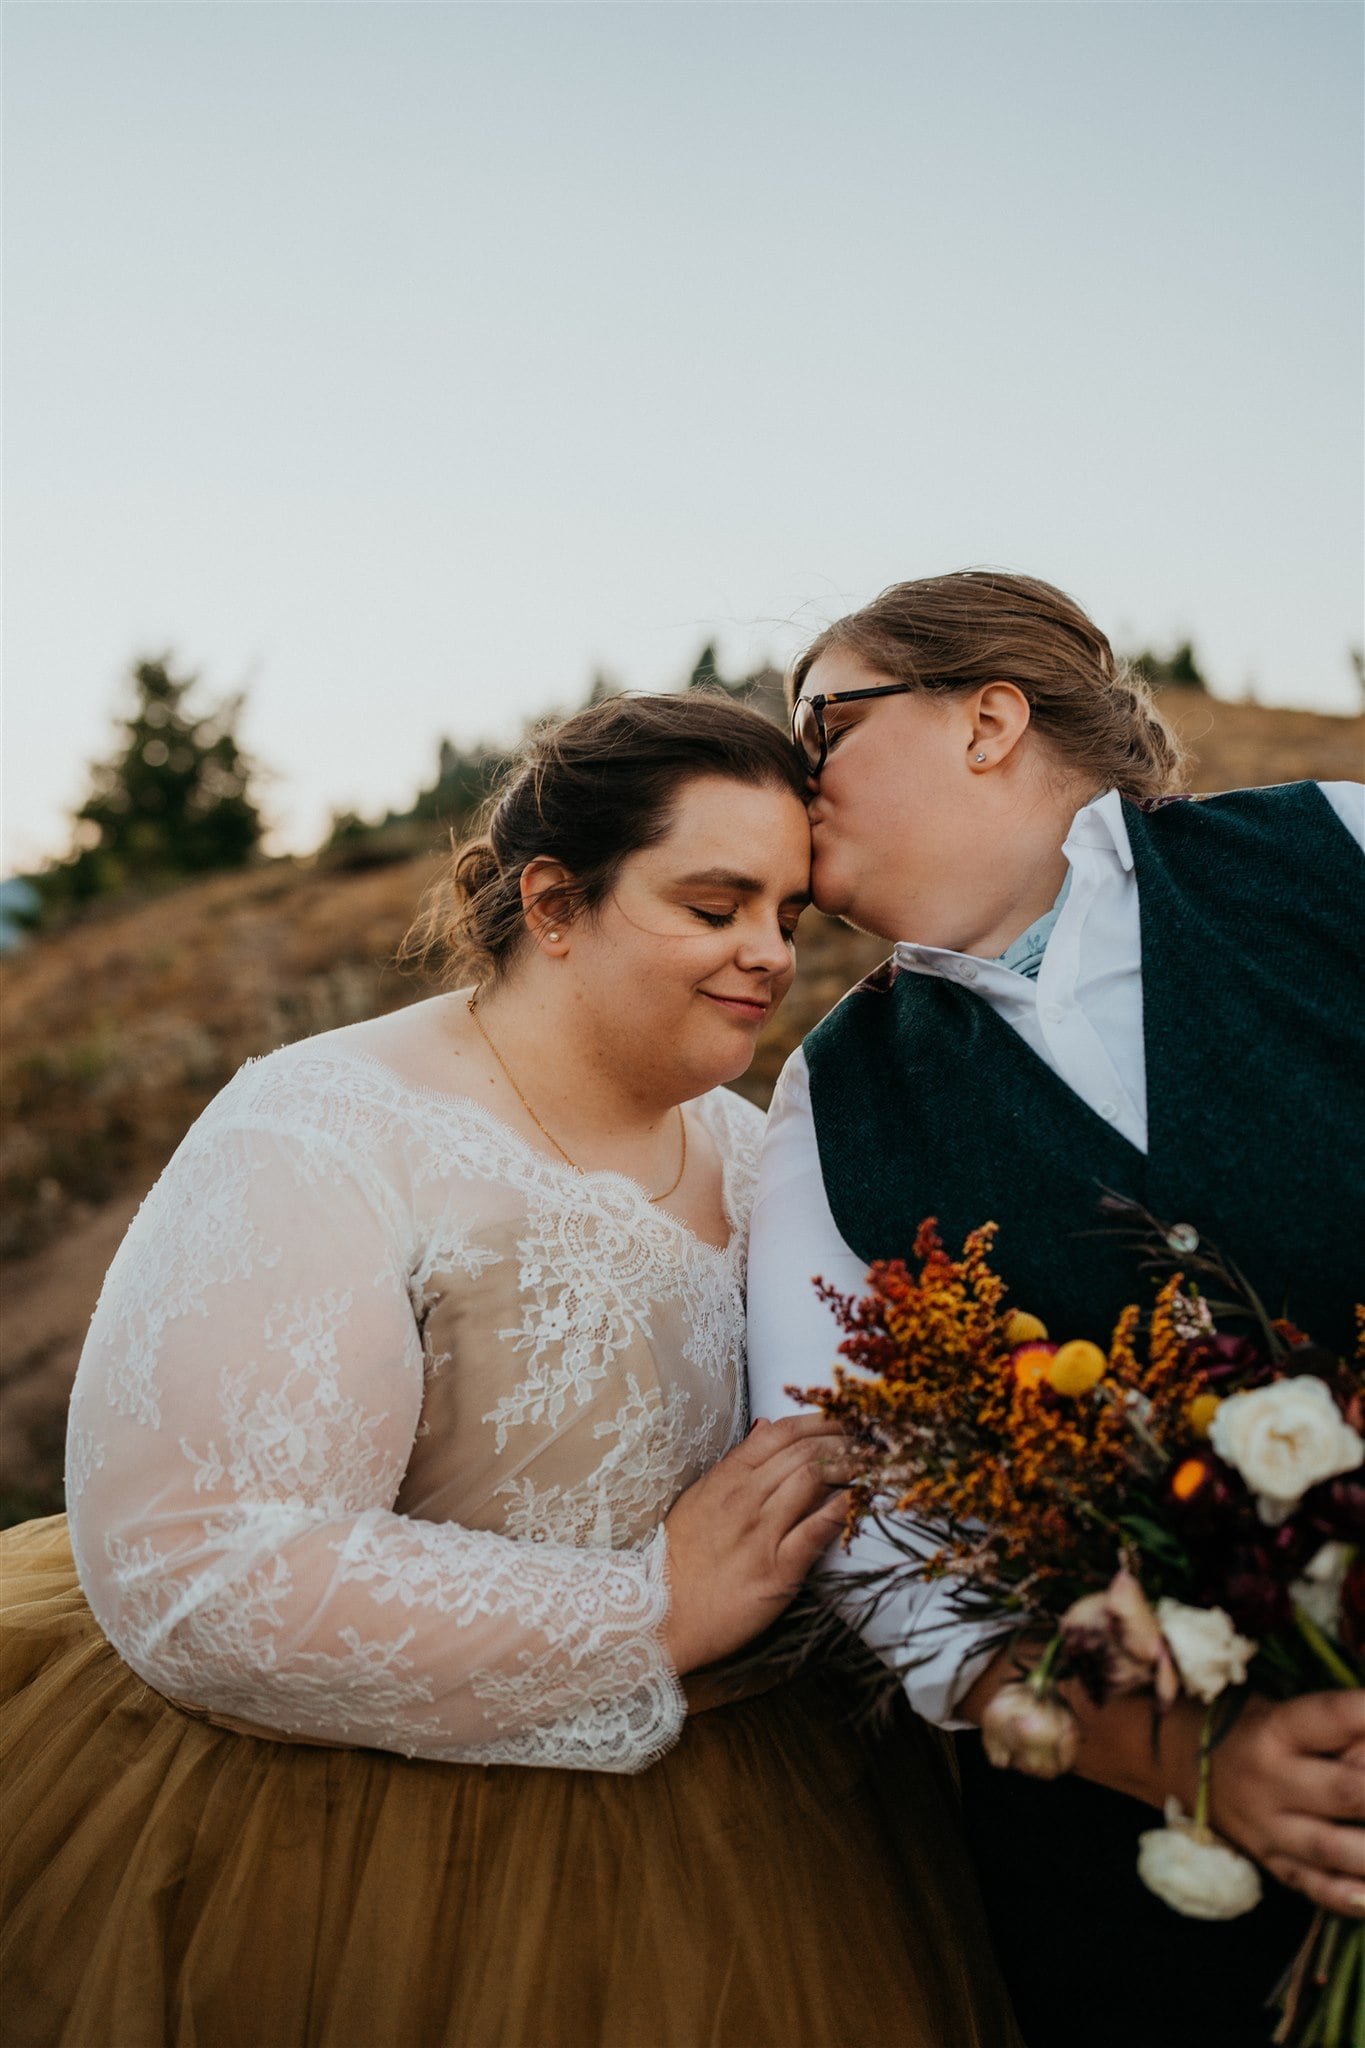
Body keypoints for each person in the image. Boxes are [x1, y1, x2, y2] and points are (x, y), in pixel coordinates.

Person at [0, 692, 1020, 2048]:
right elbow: (206, 1562)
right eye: (714, 906)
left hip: (774, 1821)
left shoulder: (762, 1151)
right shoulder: (326, 1129)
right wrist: (649, 1609)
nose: (768, 956)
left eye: (788, 915)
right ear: (553, 901)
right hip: (368, 1856)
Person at [746, 570, 1365, 2048]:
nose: (789, 772)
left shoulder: (1336, 846)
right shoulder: (830, 1100)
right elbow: (866, 1514)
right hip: (1162, 1897)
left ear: (987, 719)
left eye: (820, 721)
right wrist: (1178, 1758)